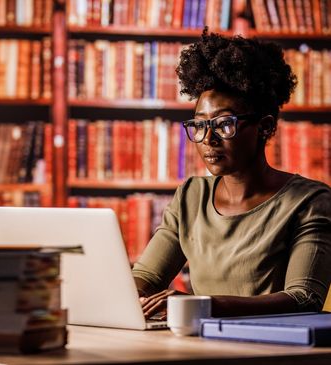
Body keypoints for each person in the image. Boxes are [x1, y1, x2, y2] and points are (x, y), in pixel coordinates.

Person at [132, 28, 331, 320]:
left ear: (264, 127)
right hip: (199, 348)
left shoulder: (310, 201)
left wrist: (200, 305)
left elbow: (303, 298)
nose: (208, 139)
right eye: (200, 125)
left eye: (224, 124)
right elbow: (146, 277)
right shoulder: (191, 196)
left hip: (273, 352)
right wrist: (130, 294)